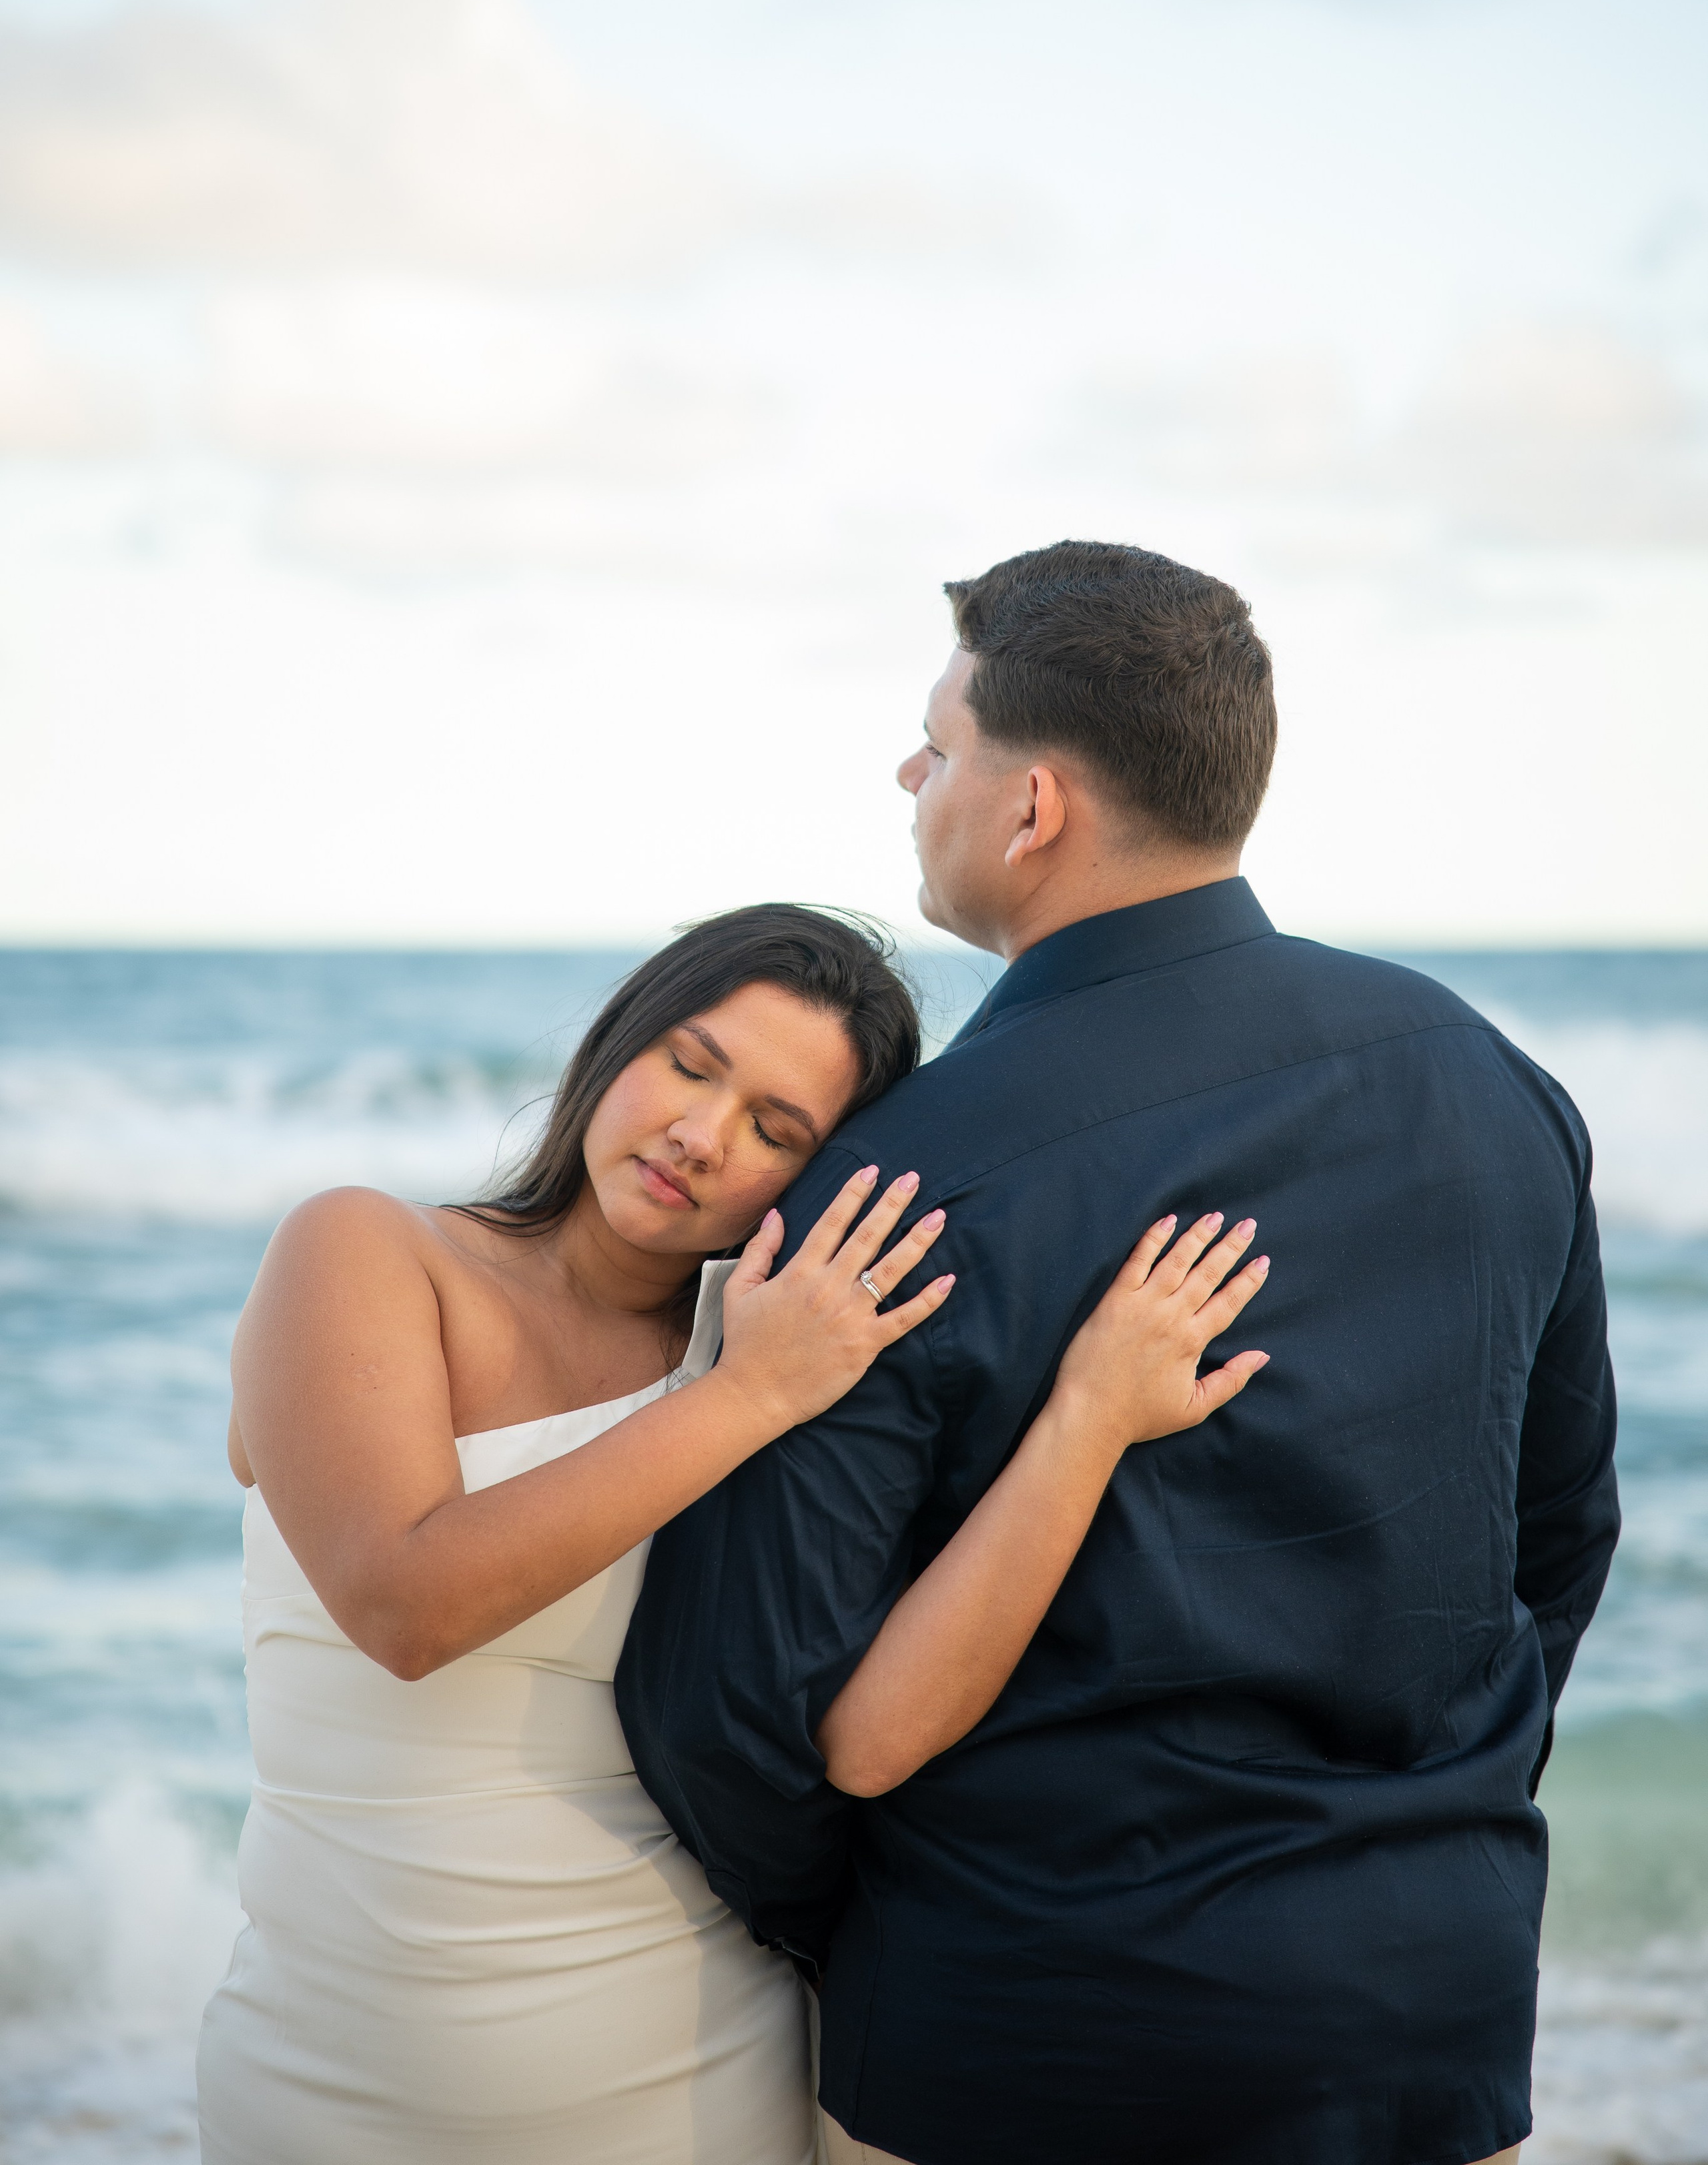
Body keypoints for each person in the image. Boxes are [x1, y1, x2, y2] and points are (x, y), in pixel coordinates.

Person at [620, 540, 1621, 2165]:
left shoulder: (893, 1181)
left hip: (1021, 2025)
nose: (909, 772)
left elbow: (739, 1712)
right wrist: (1424, 1843)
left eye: (938, 745)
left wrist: (886, 1944)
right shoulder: (1492, 1085)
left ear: (1032, 813)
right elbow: (1560, 1543)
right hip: (1422, 2016)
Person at [196, 901, 1270, 2164]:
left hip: (695, 2078)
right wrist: (751, 1396)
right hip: (328, 2084)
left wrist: (1083, 1423)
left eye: (777, 1131)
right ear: (621, 1041)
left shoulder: (779, 1350)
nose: (700, 1139)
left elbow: (874, 1733)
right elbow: (405, 1605)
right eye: (690, 1066)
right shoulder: (371, 1251)